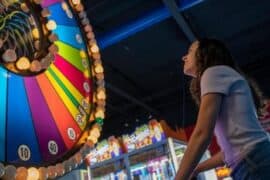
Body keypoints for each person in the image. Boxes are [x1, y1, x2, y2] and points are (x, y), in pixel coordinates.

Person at [175, 38, 270, 180]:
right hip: (256, 160)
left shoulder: (212, 72)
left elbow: (202, 134)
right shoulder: (222, 73)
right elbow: (231, 151)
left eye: (190, 51)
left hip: (254, 164)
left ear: (204, 54)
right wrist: (196, 169)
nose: (184, 57)